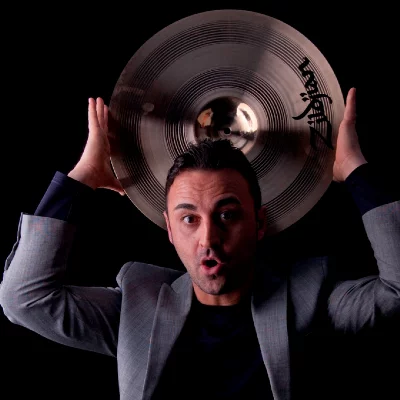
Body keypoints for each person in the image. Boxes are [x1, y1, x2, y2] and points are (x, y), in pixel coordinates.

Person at [0, 88, 398, 400]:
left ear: (259, 223)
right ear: (170, 231)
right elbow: (24, 299)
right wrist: (83, 177)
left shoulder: (308, 298)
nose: (209, 239)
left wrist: (355, 171)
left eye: (227, 215)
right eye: (190, 219)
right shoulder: (136, 307)